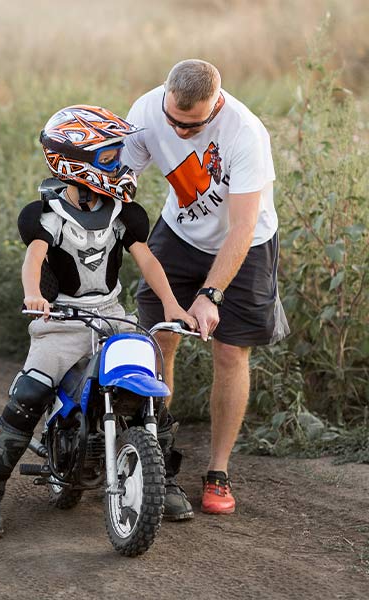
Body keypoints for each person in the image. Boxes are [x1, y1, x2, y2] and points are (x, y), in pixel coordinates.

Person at [0, 105, 196, 537]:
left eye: (117, 154)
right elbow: (33, 258)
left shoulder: (123, 213)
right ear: (75, 162)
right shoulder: (45, 214)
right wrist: (33, 295)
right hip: (60, 320)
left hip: (111, 316)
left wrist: (172, 306)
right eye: (109, 156)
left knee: (152, 388)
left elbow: (147, 261)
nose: (120, 163)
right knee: (30, 393)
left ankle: (161, 479)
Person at [121, 59, 289, 517]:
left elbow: (241, 227)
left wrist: (210, 295)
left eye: (191, 125)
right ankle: (156, 459)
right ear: (166, 97)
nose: (178, 131)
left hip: (246, 243)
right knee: (159, 338)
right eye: (173, 119)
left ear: (216, 105)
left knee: (230, 352)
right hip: (178, 233)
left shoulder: (245, 133)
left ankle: (217, 471)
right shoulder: (146, 109)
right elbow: (124, 185)